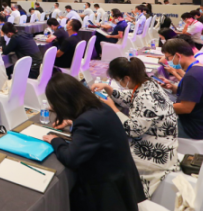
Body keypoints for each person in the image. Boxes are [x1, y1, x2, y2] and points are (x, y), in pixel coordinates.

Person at [42, 73, 145, 211]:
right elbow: (97, 129)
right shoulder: (100, 107)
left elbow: (70, 158)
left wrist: (56, 140)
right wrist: (72, 123)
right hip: (123, 184)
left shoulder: (86, 122)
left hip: (106, 194)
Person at [90, 58, 179, 198]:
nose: (119, 84)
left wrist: (113, 108)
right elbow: (133, 98)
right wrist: (109, 89)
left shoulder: (145, 97)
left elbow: (133, 130)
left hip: (155, 154)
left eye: (118, 80)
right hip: (161, 143)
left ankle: (115, 198)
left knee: (105, 157)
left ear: (127, 78)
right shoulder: (149, 83)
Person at [159, 39, 203, 139]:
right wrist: (173, 88)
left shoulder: (193, 76)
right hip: (198, 122)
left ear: (178, 56)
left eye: (168, 58)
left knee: (146, 123)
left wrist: (158, 107)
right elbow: (193, 95)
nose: (168, 61)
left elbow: (185, 108)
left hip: (190, 128)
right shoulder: (201, 68)